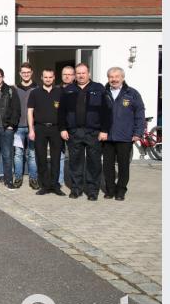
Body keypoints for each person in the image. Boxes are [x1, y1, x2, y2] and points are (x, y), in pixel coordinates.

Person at [59, 63, 110, 200]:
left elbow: (106, 111)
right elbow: (61, 112)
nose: (81, 75)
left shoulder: (99, 88)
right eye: (78, 73)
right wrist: (63, 128)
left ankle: (92, 191)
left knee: (94, 163)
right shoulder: (68, 90)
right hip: (74, 132)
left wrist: (104, 130)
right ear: (75, 75)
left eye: (83, 73)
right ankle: (76, 189)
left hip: (93, 132)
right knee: (75, 162)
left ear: (89, 74)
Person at [102, 67, 145, 201]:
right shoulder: (103, 93)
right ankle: (110, 190)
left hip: (125, 137)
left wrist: (138, 133)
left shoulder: (132, 93)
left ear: (122, 78)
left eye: (117, 76)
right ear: (108, 78)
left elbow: (140, 114)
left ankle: (121, 190)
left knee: (123, 166)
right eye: (111, 77)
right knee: (107, 166)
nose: (114, 79)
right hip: (107, 137)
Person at [27, 69, 65, 196]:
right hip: (40, 128)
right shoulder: (35, 93)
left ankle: (55, 185)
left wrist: (64, 128)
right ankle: (45, 186)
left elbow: (64, 111)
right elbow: (30, 112)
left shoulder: (60, 92)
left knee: (56, 158)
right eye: (45, 77)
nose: (48, 79)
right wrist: (31, 129)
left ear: (53, 78)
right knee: (41, 158)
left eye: (50, 77)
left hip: (56, 129)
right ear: (42, 78)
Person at [14, 62, 39, 189]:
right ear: (20, 73)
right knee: (18, 154)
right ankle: (18, 178)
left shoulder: (37, 88)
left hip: (32, 128)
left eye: (28, 72)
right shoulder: (15, 89)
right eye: (23, 72)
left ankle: (33, 179)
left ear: (32, 73)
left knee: (32, 154)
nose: (26, 74)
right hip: (18, 127)